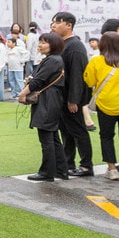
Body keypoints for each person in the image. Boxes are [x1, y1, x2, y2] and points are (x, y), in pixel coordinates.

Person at [87, 31, 119, 183]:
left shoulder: (96, 61)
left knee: (107, 136)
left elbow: (89, 81)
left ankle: (112, 169)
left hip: (106, 103)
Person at [22, 33, 68, 181]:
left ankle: (47, 172)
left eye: (44, 42)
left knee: (46, 137)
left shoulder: (52, 60)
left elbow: (38, 81)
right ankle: (60, 170)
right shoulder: (54, 59)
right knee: (53, 137)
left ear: (53, 45)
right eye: (40, 42)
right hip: (52, 99)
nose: (40, 45)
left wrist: (22, 94)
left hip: (48, 100)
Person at [51, 11, 92, 177]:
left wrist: (73, 99)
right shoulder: (63, 44)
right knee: (66, 132)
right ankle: (68, 163)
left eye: (57, 22)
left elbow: (77, 75)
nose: (53, 25)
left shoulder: (74, 46)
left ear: (68, 25)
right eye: (52, 22)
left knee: (78, 131)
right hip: (61, 97)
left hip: (70, 98)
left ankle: (86, 165)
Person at [4, 35, 28, 102]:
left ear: (14, 43)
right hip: (11, 68)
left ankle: (20, 94)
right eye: (7, 42)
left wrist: (22, 60)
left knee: (19, 81)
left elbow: (27, 53)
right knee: (12, 81)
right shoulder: (8, 50)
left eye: (9, 42)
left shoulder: (18, 48)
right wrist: (6, 61)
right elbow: (6, 57)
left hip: (18, 68)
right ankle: (13, 94)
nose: (8, 44)